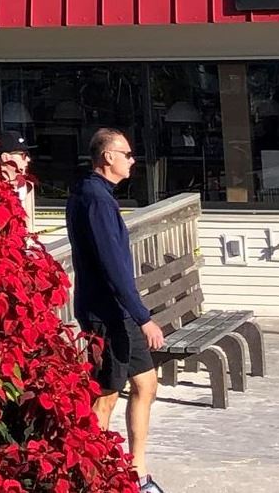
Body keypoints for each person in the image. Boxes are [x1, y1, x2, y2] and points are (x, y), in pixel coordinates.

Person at [65, 128, 166, 493]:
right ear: (107, 157)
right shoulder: (94, 199)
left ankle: (137, 471)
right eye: (127, 153)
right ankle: (92, 477)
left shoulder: (97, 194)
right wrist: (144, 317)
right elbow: (112, 266)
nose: (132, 160)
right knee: (106, 394)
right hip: (106, 313)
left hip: (119, 309)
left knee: (146, 383)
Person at [0, 128, 36, 225]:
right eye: (23, 155)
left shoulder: (26, 185)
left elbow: (29, 225)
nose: (28, 159)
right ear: (5, 157)